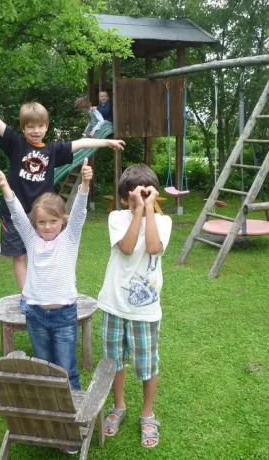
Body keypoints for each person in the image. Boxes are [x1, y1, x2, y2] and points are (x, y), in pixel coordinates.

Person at [0, 92, 124, 307]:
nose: (35, 131)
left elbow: (81, 142)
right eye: (30, 127)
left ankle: (56, 286)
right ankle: (26, 296)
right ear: (23, 128)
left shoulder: (52, 150)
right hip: (14, 213)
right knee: (20, 256)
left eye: (40, 126)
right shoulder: (16, 144)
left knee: (50, 253)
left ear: (46, 127)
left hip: (43, 216)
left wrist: (107, 142)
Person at [0, 158, 93, 391]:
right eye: (42, 222)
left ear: (63, 221)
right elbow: (17, 214)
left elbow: (79, 212)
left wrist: (85, 184)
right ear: (34, 223)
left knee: (67, 369)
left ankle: (72, 409)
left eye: (53, 221)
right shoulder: (31, 239)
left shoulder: (70, 238)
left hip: (64, 316)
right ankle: (48, 407)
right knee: (43, 368)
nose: (47, 226)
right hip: (35, 315)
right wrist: (5, 186)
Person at [97, 165, 172, 449]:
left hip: (145, 311)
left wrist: (148, 210)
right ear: (124, 197)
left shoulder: (163, 222)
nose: (139, 200)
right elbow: (127, 248)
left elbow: (153, 248)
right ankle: (118, 406)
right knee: (114, 361)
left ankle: (147, 413)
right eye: (134, 197)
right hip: (114, 305)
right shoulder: (117, 217)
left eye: (145, 195)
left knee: (147, 363)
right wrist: (138, 211)